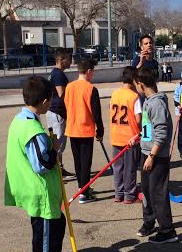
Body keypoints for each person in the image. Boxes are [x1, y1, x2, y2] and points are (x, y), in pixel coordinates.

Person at [4, 76, 72, 252]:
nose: (51, 102)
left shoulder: (25, 120)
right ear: (44, 101)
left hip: (45, 192)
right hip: (38, 191)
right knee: (42, 237)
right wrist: (52, 147)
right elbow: (42, 163)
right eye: (50, 99)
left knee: (58, 224)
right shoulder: (31, 129)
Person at [134, 67, 178, 244]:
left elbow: (161, 133)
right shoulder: (148, 101)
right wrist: (137, 138)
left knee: (157, 192)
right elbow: (149, 129)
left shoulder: (157, 104)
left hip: (156, 156)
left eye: (136, 85)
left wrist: (152, 156)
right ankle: (149, 221)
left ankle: (167, 230)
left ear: (141, 84)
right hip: (146, 152)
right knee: (147, 190)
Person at [63, 59, 104, 203]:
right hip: (85, 129)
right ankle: (84, 193)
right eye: (92, 72)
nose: (93, 75)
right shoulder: (91, 89)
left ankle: (82, 187)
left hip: (72, 128)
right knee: (86, 162)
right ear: (88, 72)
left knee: (78, 161)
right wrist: (100, 130)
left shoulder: (69, 87)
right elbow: (96, 113)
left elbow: (64, 106)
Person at [110, 66, 142, 203]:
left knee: (118, 167)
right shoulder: (134, 97)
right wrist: (140, 132)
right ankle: (129, 194)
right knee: (130, 168)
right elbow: (139, 119)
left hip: (116, 134)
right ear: (134, 80)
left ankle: (118, 193)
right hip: (130, 138)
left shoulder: (114, 94)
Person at [47, 48, 75, 181]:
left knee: (57, 143)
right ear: (61, 60)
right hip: (57, 113)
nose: (70, 62)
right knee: (58, 144)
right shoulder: (58, 75)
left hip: (54, 112)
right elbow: (62, 95)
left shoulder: (54, 73)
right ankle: (56, 173)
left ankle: (60, 169)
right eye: (68, 59)